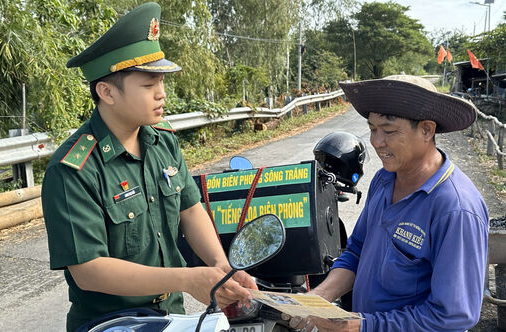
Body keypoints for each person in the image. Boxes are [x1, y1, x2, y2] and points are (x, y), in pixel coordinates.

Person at [41, 3, 256, 331]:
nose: (162, 94)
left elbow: (191, 209)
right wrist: (187, 278)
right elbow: (89, 271)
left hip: (171, 315)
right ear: (107, 92)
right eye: (148, 85)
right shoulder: (74, 169)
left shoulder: (162, 141)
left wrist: (221, 267)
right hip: (110, 322)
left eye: (162, 82)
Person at [291, 75, 489, 331]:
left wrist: (360, 326)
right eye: (373, 129)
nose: (376, 142)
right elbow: (357, 251)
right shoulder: (385, 180)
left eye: (389, 130)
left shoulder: (456, 209)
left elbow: (452, 316)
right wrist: (319, 298)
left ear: (427, 130)